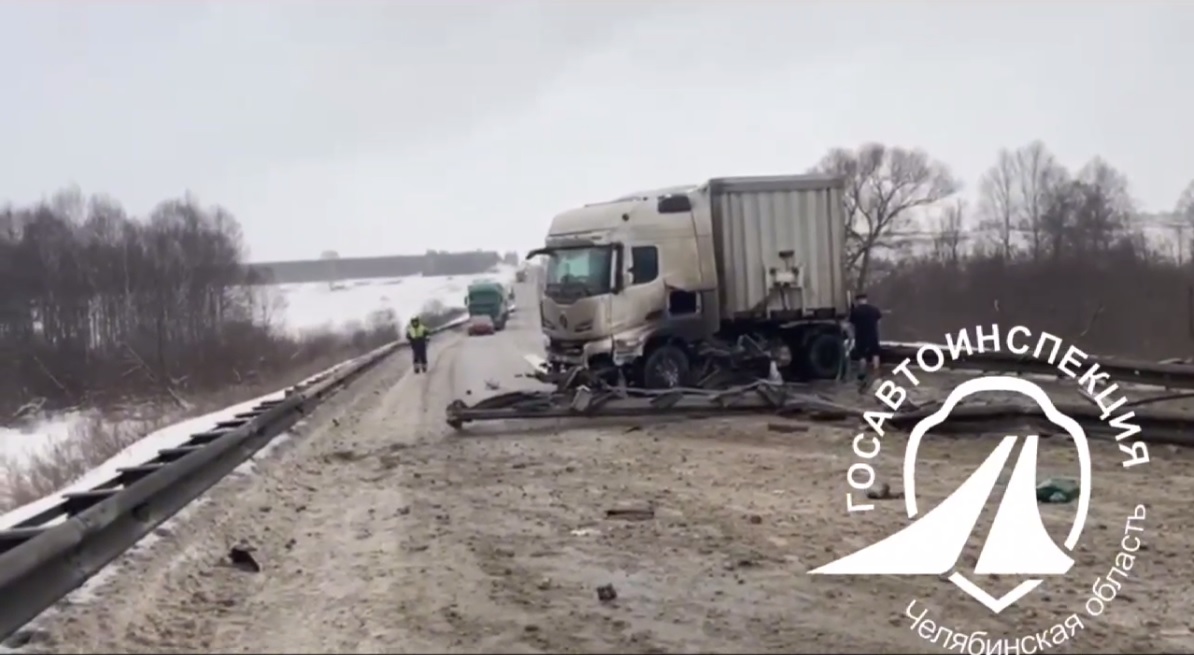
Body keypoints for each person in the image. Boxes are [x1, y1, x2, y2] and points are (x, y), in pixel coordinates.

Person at [848, 292, 883, 390]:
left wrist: (851, 337)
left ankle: (862, 375)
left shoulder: (855, 311)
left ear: (858, 300)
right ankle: (876, 373)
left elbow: (851, 325)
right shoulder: (874, 309)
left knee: (862, 356)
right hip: (873, 335)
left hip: (860, 336)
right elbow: (879, 322)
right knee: (875, 354)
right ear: (866, 299)